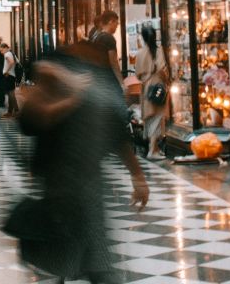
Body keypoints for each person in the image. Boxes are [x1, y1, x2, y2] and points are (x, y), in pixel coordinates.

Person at [11, 47, 149, 284]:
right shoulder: (54, 97)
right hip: (60, 188)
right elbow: (34, 119)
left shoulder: (89, 98)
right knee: (70, 254)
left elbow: (117, 137)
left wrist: (138, 177)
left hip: (82, 188)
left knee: (91, 257)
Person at [133, 22, 169, 158]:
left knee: (149, 116)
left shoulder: (140, 53)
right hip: (157, 85)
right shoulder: (158, 50)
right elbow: (162, 68)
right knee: (157, 116)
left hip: (146, 86)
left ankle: (152, 147)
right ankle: (152, 150)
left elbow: (137, 74)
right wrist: (167, 81)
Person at [88, 10, 122, 83]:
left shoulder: (96, 36)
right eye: (116, 22)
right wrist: (121, 83)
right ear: (111, 22)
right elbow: (114, 63)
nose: (117, 25)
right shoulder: (109, 38)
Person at [0, 41, 20, 117]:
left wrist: (7, 72)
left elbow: (11, 62)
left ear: (5, 48)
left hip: (9, 76)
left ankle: (17, 111)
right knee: (10, 93)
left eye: (1, 50)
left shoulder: (7, 54)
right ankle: (10, 111)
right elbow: (16, 62)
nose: (1, 52)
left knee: (11, 94)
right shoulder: (12, 54)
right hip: (12, 76)